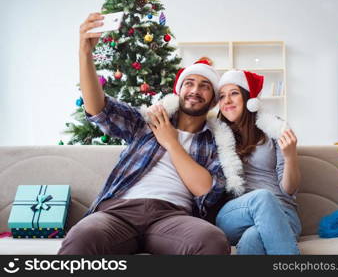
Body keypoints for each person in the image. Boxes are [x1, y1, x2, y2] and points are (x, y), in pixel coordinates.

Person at [58, 13, 233, 255]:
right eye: (189, 83)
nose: (195, 90)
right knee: (82, 236)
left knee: (211, 240)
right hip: (118, 212)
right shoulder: (147, 122)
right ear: (179, 91)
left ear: (213, 101)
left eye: (205, 86)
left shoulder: (218, 142)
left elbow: (206, 190)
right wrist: (85, 53)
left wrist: (172, 143)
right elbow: (99, 110)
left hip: (172, 217)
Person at [215, 69, 302, 255]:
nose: (227, 101)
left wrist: (290, 156)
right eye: (221, 96)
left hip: (283, 212)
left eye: (234, 94)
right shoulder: (216, 134)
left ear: (249, 99)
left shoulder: (275, 128)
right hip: (235, 214)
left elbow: (289, 189)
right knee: (262, 197)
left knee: (252, 238)